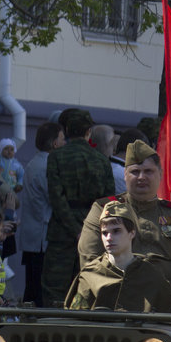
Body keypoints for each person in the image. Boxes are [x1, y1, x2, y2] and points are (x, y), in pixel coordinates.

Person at [77, 140, 171, 288]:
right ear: (125, 175)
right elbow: (90, 260)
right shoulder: (103, 209)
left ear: (160, 174)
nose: (141, 177)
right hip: (118, 295)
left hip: (169, 299)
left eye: (148, 171)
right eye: (135, 172)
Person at [42, 109, 116, 306]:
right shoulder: (102, 161)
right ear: (88, 131)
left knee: (55, 292)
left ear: (66, 130)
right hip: (94, 232)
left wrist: (76, 230)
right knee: (90, 289)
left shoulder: (56, 157)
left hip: (62, 233)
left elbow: (56, 199)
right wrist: (88, 230)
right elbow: (108, 203)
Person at [65, 201, 171, 312]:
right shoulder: (89, 275)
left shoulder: (152, 275)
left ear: (132, 233)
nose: (109, 238)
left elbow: (170, 319)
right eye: (104, 233)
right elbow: (77, 321)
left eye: (116, 231)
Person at [18, 122, 62, 305]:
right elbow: (55, 198)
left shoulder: (34, 163)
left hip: (34, 236)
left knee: (32, 285)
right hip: (41, 238)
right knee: (37, 289)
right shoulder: (45, 167)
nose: (65, 142)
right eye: (62, 139)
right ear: (54, 143)